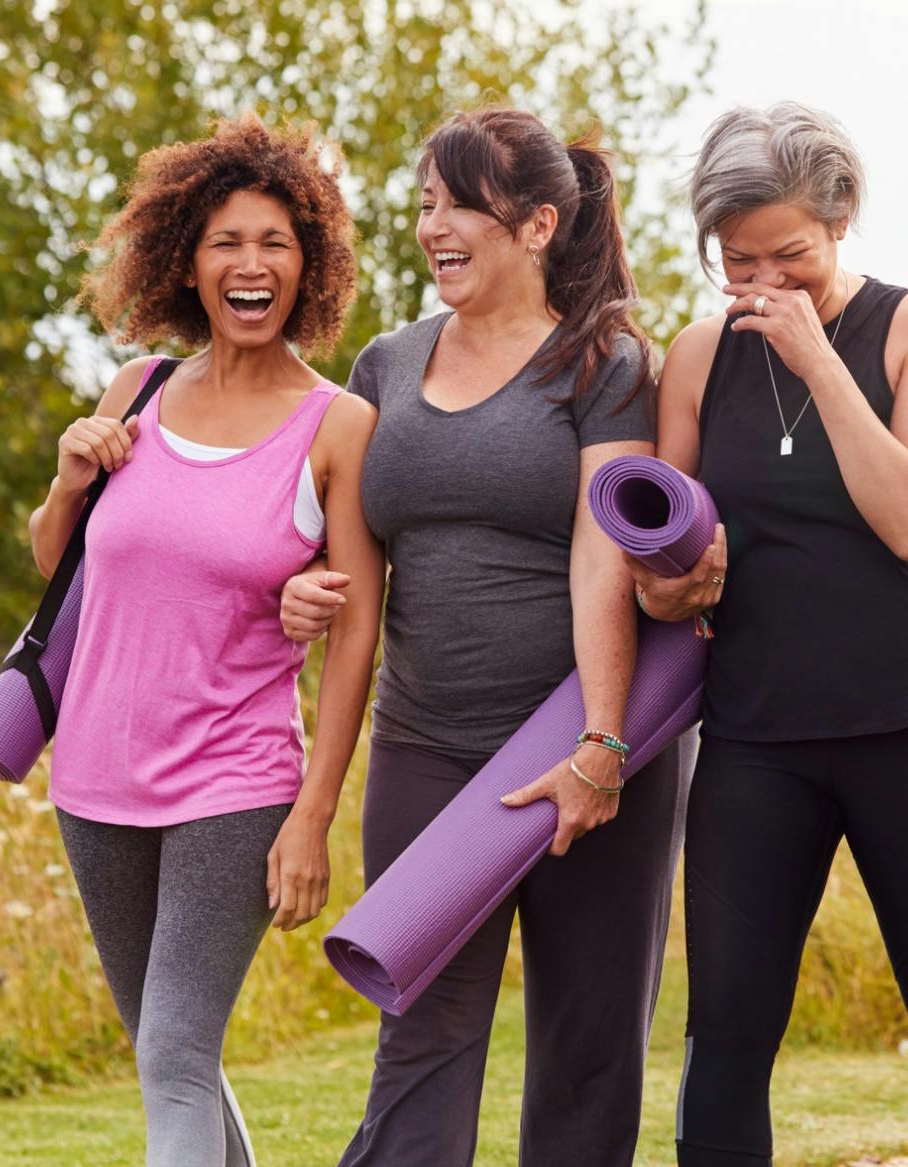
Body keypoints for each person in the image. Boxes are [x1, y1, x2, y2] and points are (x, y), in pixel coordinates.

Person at [637, 102, 908, 1167]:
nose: (765, 286)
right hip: (756, 741)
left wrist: (819, 362)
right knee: (723, 1036)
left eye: (791, 257)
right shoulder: (694, 357)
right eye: (737, 263)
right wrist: (671, 584)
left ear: (842, 219)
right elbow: (661, 562)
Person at [276, 107, 687, 1166]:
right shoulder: (383, 367)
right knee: (421, 1032)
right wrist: (300, 596)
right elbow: (346, 573)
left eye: (460, 203)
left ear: (539, 225)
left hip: (582, 751)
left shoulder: (605, 363)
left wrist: (601, 744)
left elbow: (605, 550)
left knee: (588, 1043)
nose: (432, 226)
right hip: (425, 746)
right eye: (423, 203)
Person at [32, 115, 382, 1167]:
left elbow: (355, 630)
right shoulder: (134, 391)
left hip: (234, 784)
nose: (251, 263)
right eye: (228, 240)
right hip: (92, 778)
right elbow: (61, 568)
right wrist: (68, 477)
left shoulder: (336, 426)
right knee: (163, 1051)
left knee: (177, 1051)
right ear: (187, 258)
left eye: (276, 242)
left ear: (307, 267)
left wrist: (314, 814)